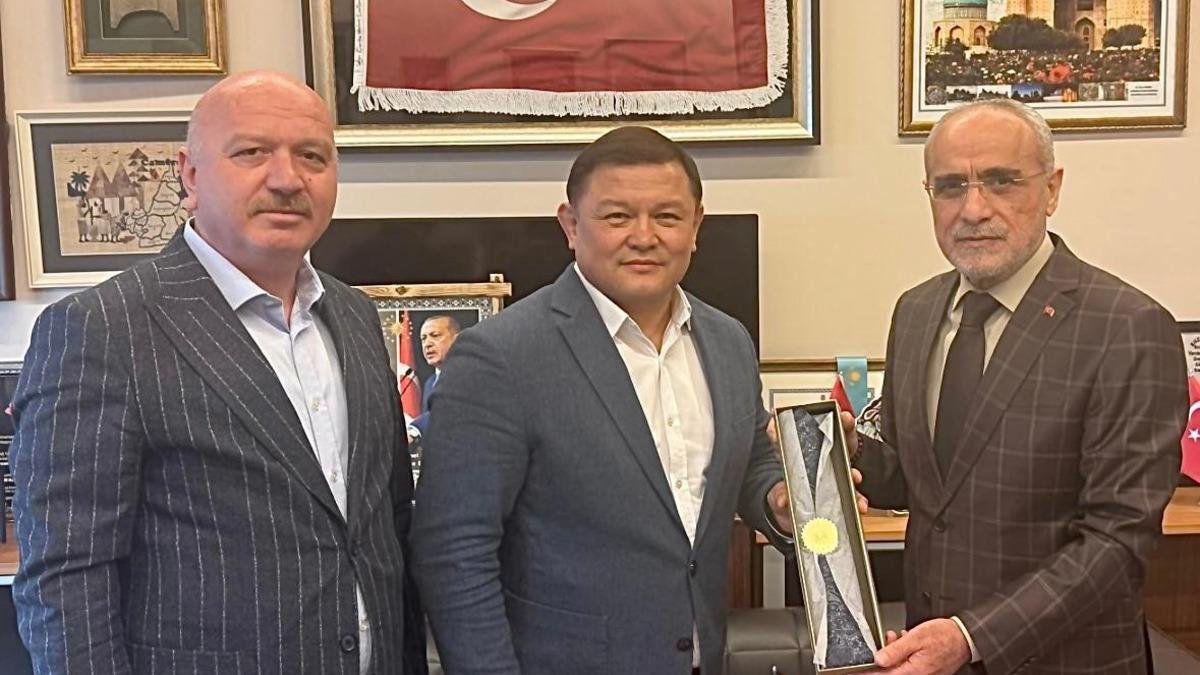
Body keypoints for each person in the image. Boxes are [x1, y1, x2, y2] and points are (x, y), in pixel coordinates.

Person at [9, 71, 426, 675]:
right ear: (190, 176)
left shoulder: (356, 315)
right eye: (252, 152)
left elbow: (389, 525)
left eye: (312, 156)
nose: (287, 179)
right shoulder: (101, 328)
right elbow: (65, 577)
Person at [411, 126, 818, 674]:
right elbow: (453, 552)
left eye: (667, 216)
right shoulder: (501, 356)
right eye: (617, 216)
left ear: (696, 226)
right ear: (571, 225)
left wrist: (777, 501)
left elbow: (746, 461)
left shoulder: (728, 341)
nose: (644, 237)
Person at [857, 99, 1187, 675]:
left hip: (1069, 662)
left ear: (1052, 189)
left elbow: (1117, 541)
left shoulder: (1128, 327)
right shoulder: (915, 312)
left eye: (1001, 181)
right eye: (950, 186)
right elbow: (927, 484)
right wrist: (844, 456)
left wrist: (970, 636)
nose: (973, 209)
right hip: (927, 654)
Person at [409, 315, 460, 438]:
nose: (427, 344)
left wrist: (414, 430)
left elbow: (445, 412)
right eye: (423, 339)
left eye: (435, 336)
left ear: (457, 340)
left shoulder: (468, 376)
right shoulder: (430, 383)